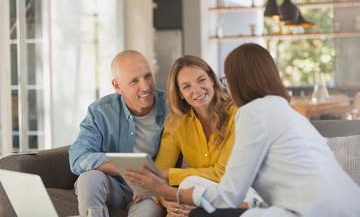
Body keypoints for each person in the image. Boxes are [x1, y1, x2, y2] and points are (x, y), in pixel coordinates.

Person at [124, 43, 360, 217]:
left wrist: (168, 189)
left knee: (199, 210)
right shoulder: (282, 109)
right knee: (193, 190)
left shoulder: (248, 113)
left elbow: (229, 192)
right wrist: (168, 196)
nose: (197, 89)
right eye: (186, 86)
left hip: (311, 210)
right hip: (346, 205)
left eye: (223, 78)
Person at [154, 55, 263, 216]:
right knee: (183, 201)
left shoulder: (237, 115)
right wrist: (167, 202)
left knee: (189, 184)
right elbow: (157, 176)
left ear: (212, 79)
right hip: (207, 198)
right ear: (180, 94)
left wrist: (170, 174)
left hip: (247, 195)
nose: (196, 90)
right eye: (186, 86)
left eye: (201, 80)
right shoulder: (176, 122)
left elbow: (223, 173)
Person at [69, 50, 167, 217]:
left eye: (147, 76)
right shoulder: (100, 111)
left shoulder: (170, 107)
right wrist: (127, 169)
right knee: (89, 178)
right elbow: (78, 159)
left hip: (149, 191)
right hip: (115, 185)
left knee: (150, 211)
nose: (145, 86)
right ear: (117, 86)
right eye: (134, 81)